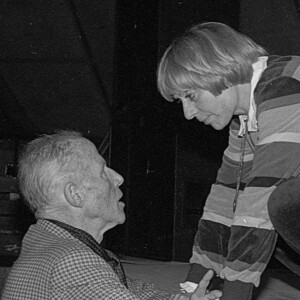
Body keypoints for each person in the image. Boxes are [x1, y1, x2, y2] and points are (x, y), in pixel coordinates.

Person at [157, 22, 300, 300]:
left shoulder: (283, 87)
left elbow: (261, 195)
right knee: (267, 217)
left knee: (279, 204)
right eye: (180, 101)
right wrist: (192, 287)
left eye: (191, 96)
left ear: (218, 71)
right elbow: (225, 200)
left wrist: (235, 294)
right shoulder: (244, 122)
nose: (187, 113)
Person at [1, 131, 222, 300]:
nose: (118, 178)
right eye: (103, 172)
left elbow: (133, 289)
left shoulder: (50, 245)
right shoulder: (72, 262)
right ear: (75, 194)